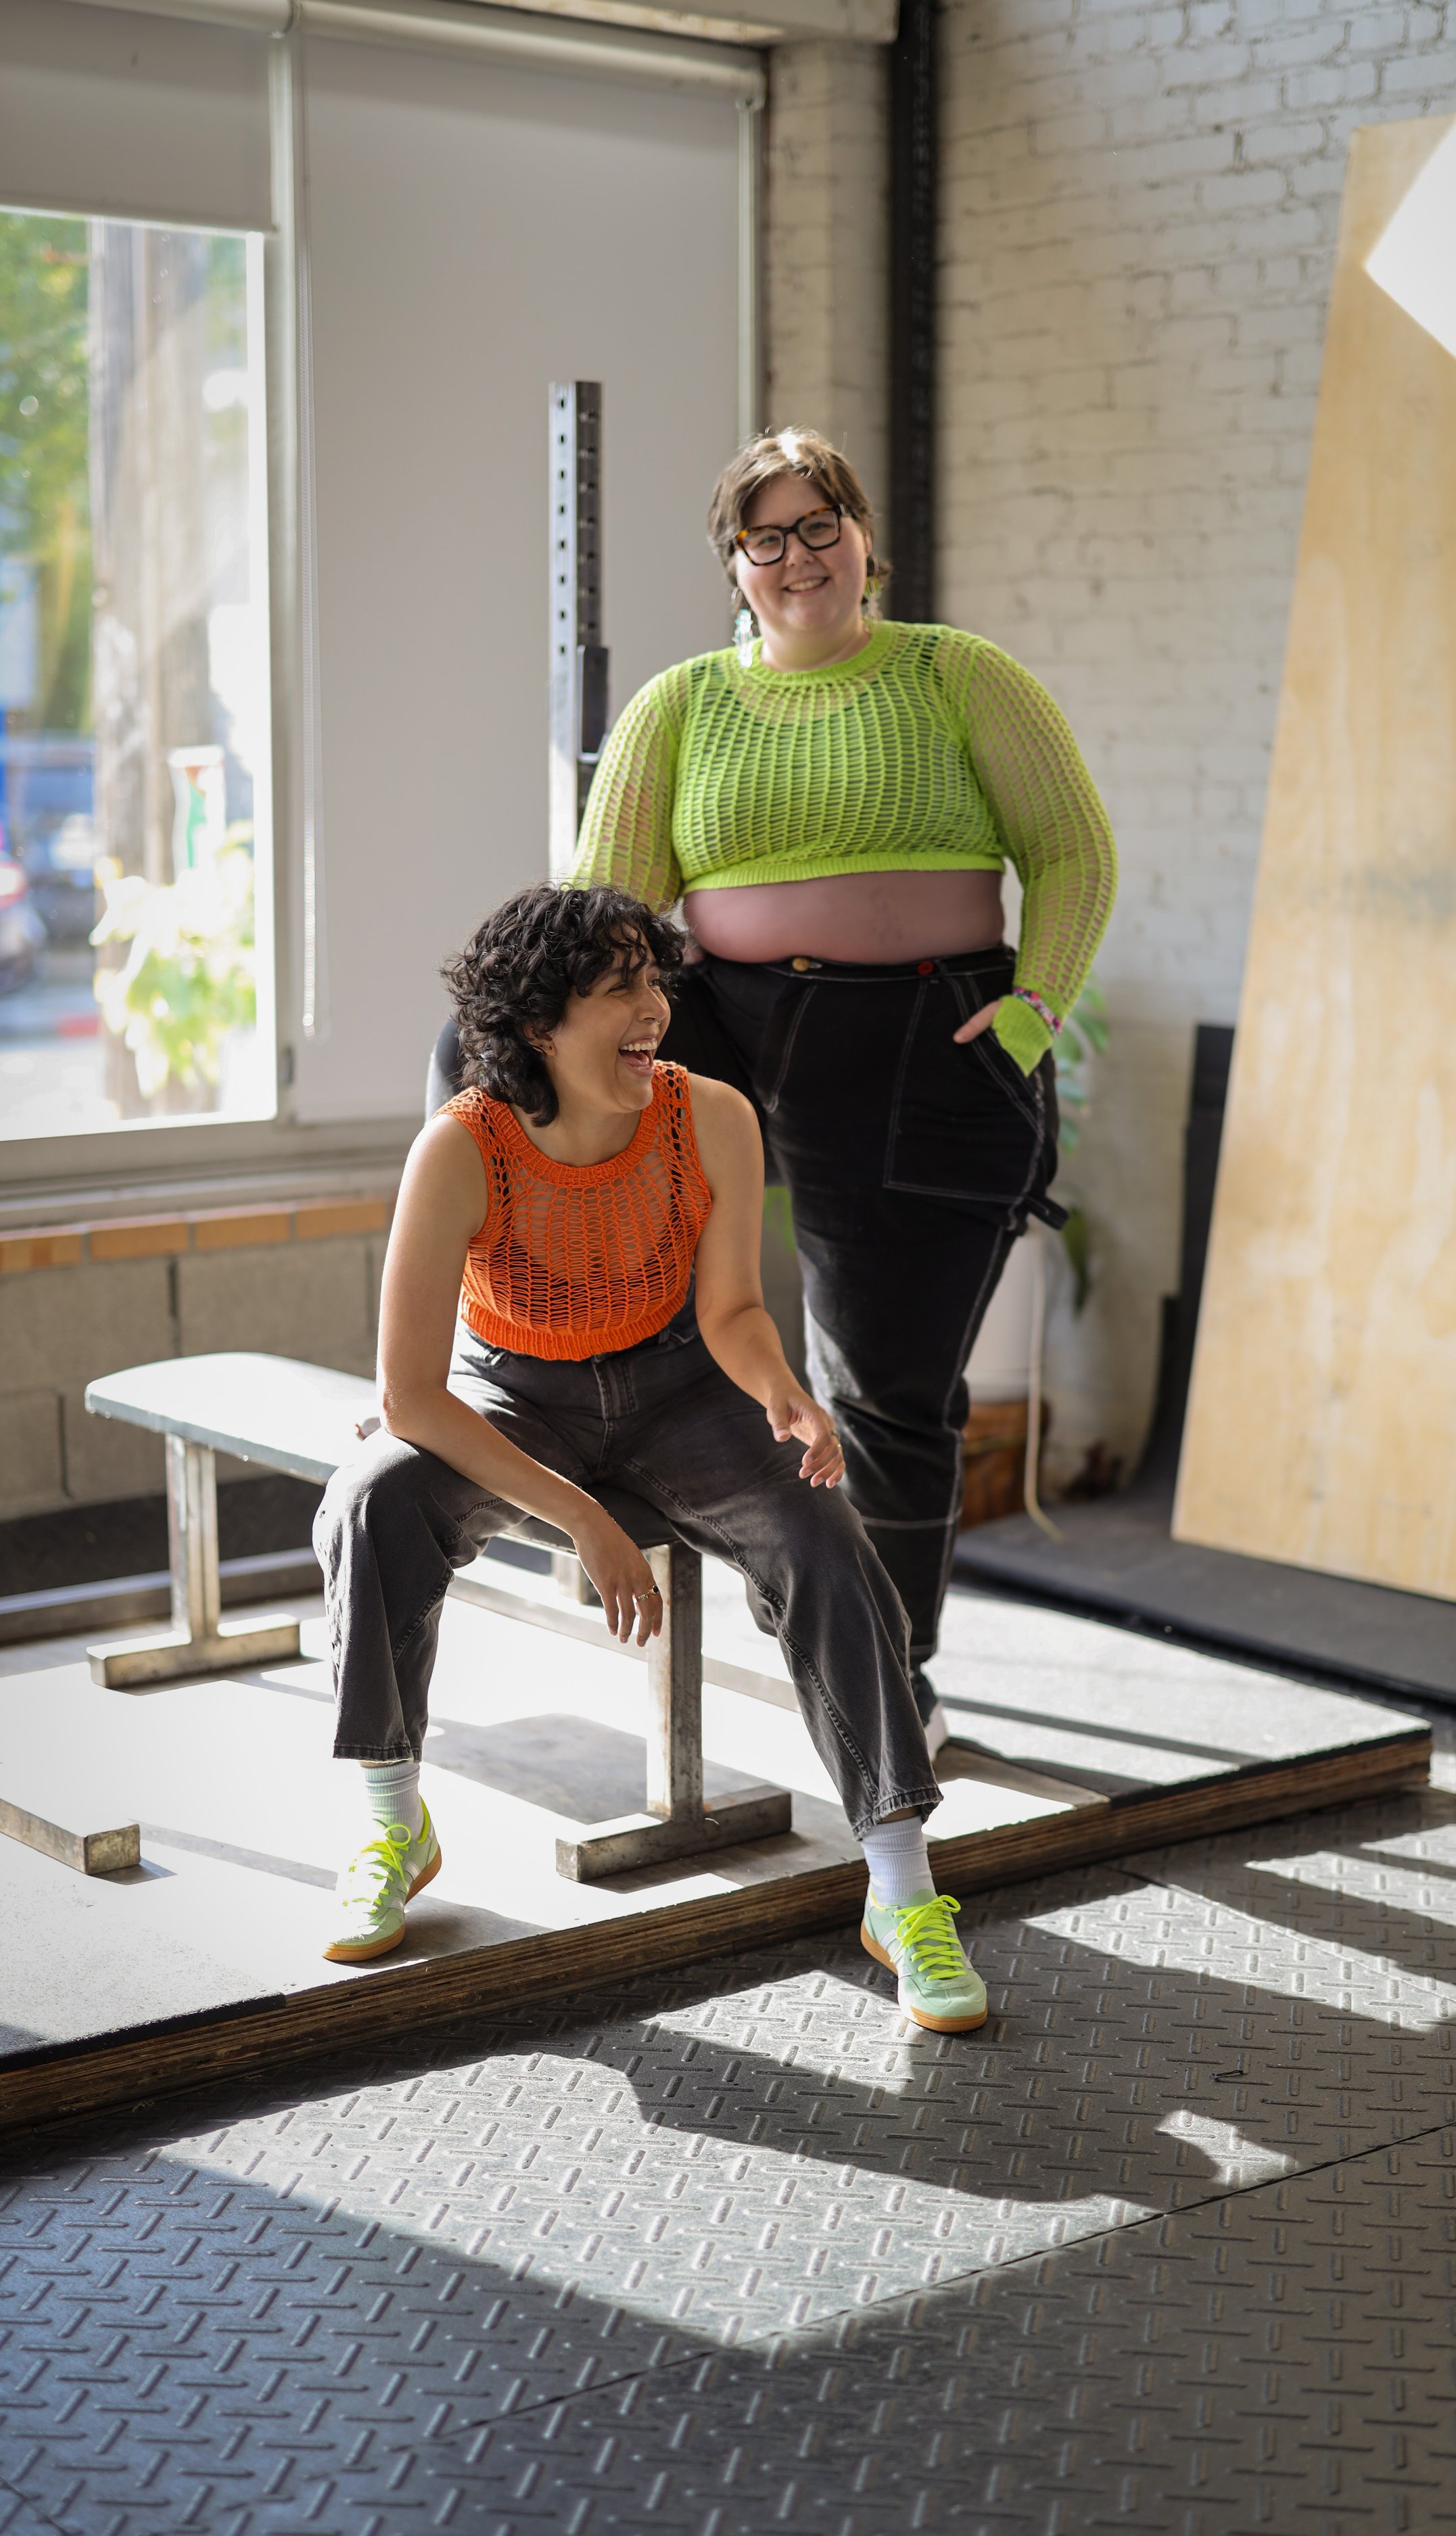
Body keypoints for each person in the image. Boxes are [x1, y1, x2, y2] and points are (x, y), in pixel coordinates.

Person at [316, 883, 989, 2035]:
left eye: (655, 982)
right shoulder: (461, 1147)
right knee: (372, 1500)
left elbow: (732, 1311)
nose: (656, 1010)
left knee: (824, 1535)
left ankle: (901, 1886)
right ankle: (394, 1821)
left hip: (681, 1381)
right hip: (516, 1389)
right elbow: (412, 1395)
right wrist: (583, 1517)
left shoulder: (711, 1115)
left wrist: (782, 1392)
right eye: (620, 988)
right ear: (539, 1022)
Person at [559, 426, 1117, 1737]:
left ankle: (891, 1669)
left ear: (864, 540)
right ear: (733, 564)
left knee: (888, 1382)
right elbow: (607, 905)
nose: (798, 555)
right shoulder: (679, 704)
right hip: (721, 1021)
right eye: (767, 537)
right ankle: (514, 1420)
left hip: (923, 1036)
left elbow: (1071, 851)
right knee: (508, 1093)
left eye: (821, 526)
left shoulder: (956, 674)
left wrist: (1033, 1013)